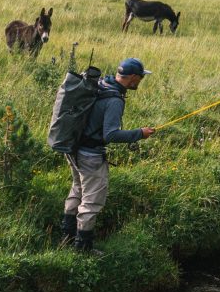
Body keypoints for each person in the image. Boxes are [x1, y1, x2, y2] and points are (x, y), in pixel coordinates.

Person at [61, 58, 155, 251]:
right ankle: (82, 248)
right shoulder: (114, 100)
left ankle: (67, 238)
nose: (140, 81)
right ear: (133, 78)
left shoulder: (102, 84)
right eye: (141, 78)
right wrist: (140, 134)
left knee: (77, 191)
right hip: (90, 156)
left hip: (73, 148)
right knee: (91, 201)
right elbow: (110, 134)